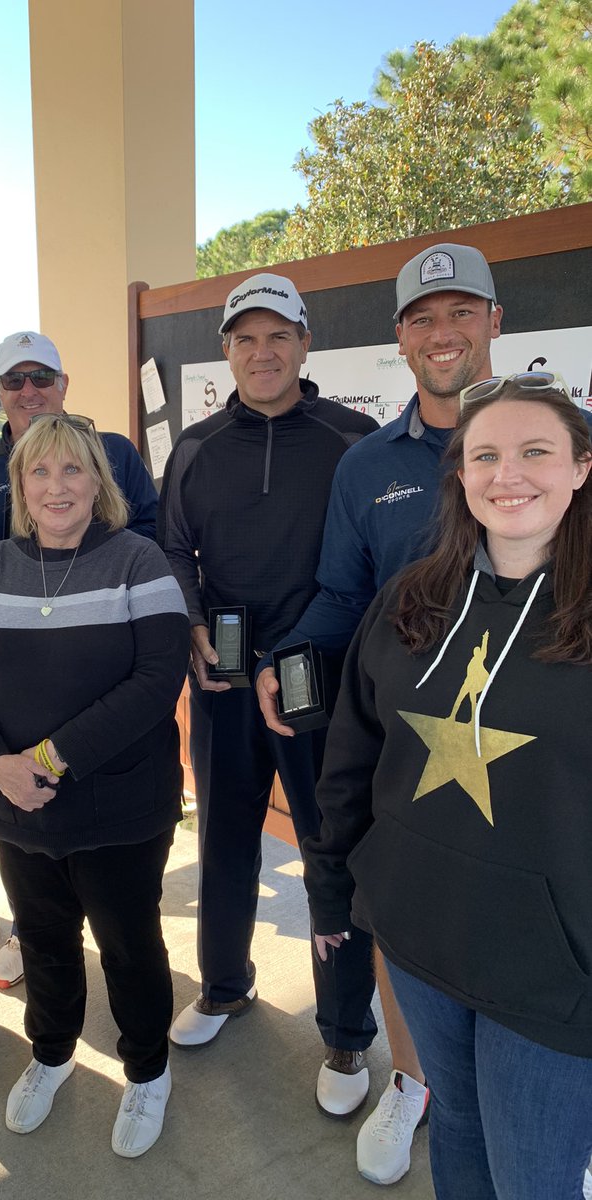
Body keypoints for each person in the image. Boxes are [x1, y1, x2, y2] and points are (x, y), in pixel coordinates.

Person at [302, 376, 592, 1199]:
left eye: (537, 452)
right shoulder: (409, 602)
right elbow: (351, 764)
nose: (510, 474)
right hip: (421, 941)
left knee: (534, 1178)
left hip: (556, 977)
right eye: (486, 455)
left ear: (582, 468)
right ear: (460, 475)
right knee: (457, 1133)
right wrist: (331, 894)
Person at [255, 242, 505, 1184]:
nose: (444, 334)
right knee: (400, 912)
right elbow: (337, 593)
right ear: (400, 339)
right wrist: (289, 658)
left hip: (531, 740)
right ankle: (412, 1079)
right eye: (423, 318)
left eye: (461, 312)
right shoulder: (366, 466)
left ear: (494, 322)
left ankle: (542, 1087)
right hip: (405, 741)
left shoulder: (554, 436)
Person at [0, 413, 188, 1157]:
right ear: (18, 485)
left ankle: (147, 1070)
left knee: (129, 946)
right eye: (38, 472)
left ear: (98, 482)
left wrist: (45, 760)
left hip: (119, 811)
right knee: (43, 942)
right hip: (18, 810)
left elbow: (155, 680)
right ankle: (50, 1054)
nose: (56, 486)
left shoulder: (138, 561)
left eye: (72, 470)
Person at [157, 273, 379, 1080]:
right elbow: (173, 548)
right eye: (245, 339)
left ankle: (346, 1033)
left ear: (305, 343)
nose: (262, 353)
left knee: (331, 845)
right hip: (223, 673)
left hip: (316, 679)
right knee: (222, 835)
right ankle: (223, 987)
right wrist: (189, 625)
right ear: (227, 352)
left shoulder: (353, 439)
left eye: (277, 336)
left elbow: (363, 562)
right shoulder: (196, 446)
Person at [0, 329, 160, 987]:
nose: (28, 390)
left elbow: (152, 538)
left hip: (105, 738)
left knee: (126, 933)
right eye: (14, 380)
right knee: (43, 923)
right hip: (11, 717)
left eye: (41, 376)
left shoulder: (118, 459)